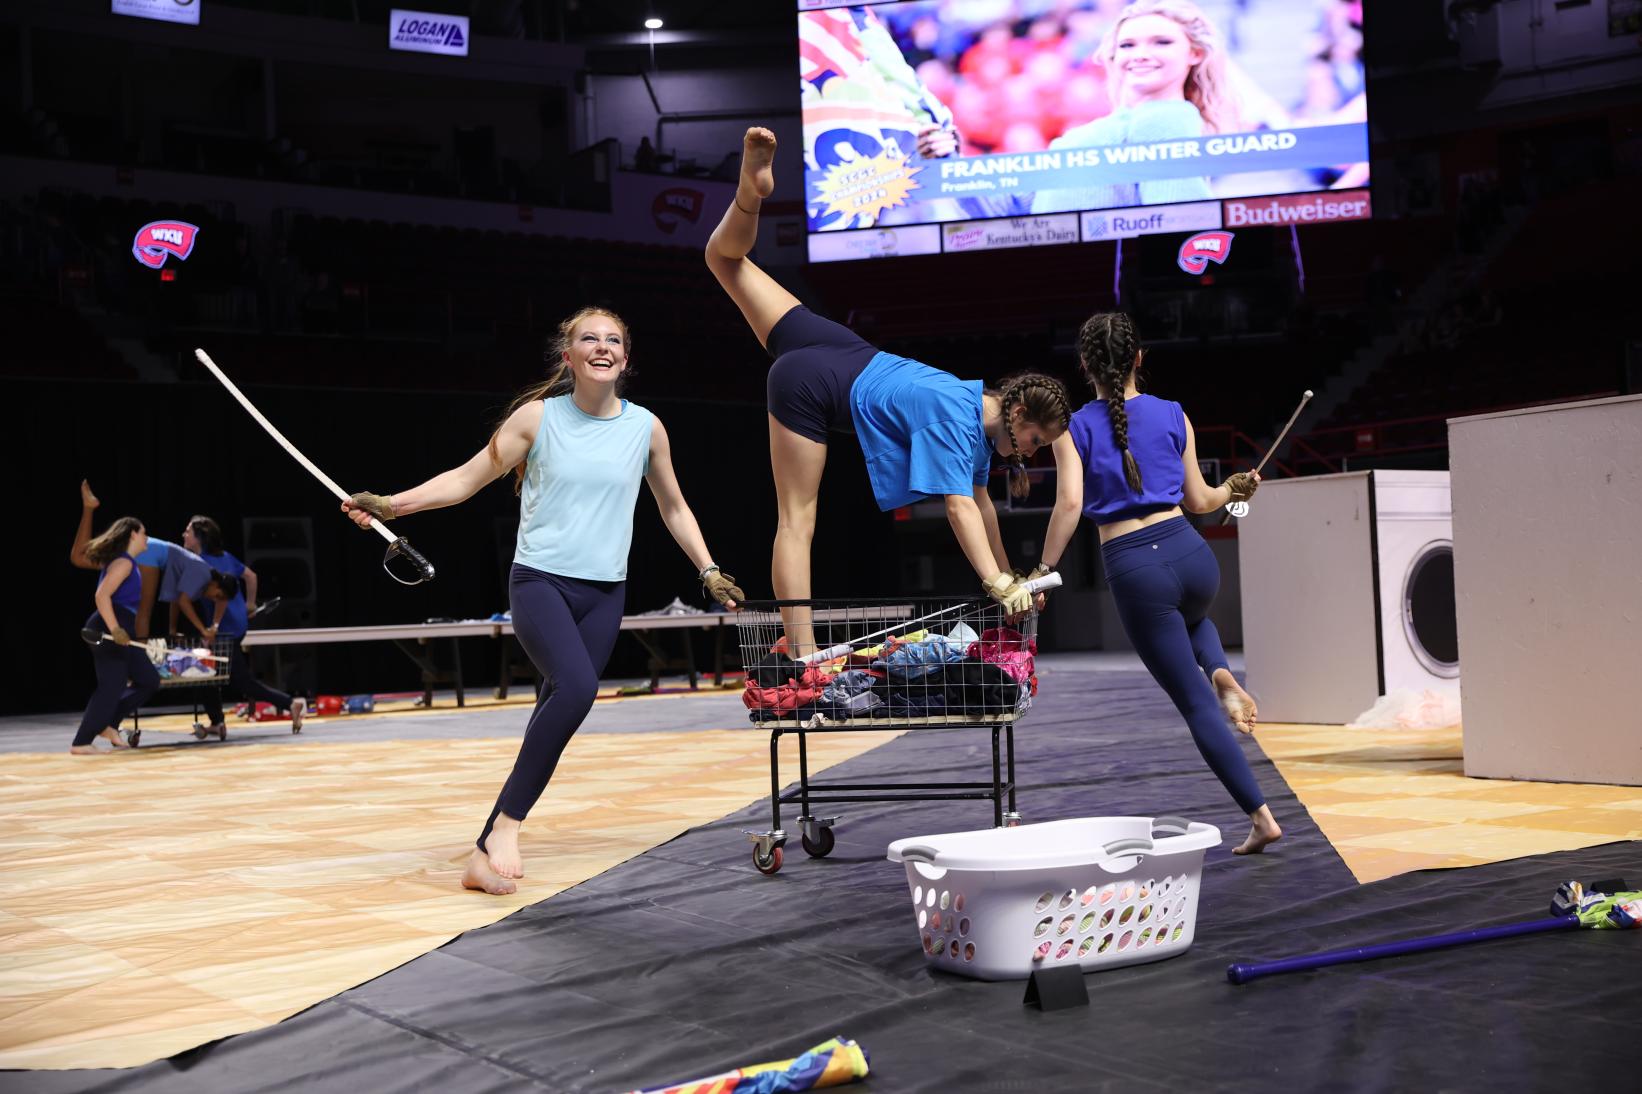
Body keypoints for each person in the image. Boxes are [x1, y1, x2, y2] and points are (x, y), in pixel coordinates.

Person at [341, 306, 743, 896]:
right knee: (578, 689)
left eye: (613, 340)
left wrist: (707, 569)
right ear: (568, 356)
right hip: (540, 583)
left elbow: (673, 507)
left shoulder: (646, 428)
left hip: (606, 592)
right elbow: (466, 477)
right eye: (589, 339)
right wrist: (392, 506)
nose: (602, 347)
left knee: (554, 711)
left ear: (625, 358)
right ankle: (508, 827)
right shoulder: (538, 419)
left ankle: (482, 853)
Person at [706, 126, 1073, 654]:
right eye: (1035, 440)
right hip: (813, 385)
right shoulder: (956, 422)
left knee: (723, 260)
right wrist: (993, 583)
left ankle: (749, 191)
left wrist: (1008, 574)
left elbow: (982, 506)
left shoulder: (975, 402)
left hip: (839, 346)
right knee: (796, 519)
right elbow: (959, 509)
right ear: (1017, 414)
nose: (1032, 452)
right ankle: (803, 648)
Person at [1038, 310, 1281, 855]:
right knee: (1192, 618)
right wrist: (1235, 488)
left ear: (1084, 366)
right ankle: (1221, 672)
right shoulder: (1175, 413)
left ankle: (1262, 817)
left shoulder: (1071, 427)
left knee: (1195, 705)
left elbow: (1071, 504)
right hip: (1193, 558)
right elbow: (1202, 501)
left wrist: (1041, 572)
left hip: (1135, 568)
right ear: (1140, 359)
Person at [1031, 0, 1234, 213]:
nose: (1140, 55)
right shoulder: (1119, 125)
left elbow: (1179, 223)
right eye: (1127, 45)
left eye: (1162, 42)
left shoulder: (1167, 119)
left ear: (1195, 53)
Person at [182, 515, 306, 737]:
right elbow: (251, 576)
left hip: (224, 629)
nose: (184, 535)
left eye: (188, 532)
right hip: (236, 624)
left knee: (241, 681)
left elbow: (220, 598)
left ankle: (290, 704)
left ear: (199, 537)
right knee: (207, 676)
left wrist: (213, 627)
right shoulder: (225, 557)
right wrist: (249, 605)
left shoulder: (203, 564)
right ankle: (217, 722)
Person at [73, 516, 160, 755]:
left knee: (149, 680)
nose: (147, 538)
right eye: (144, 532)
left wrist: (120, 629)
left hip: (120, 626)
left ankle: (109, 724)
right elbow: (102, 596)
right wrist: (115, 629)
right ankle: (82, 741)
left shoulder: (126, 562)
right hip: (108, 628)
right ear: (132, 534)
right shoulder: (124, 563)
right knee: (111, 686)